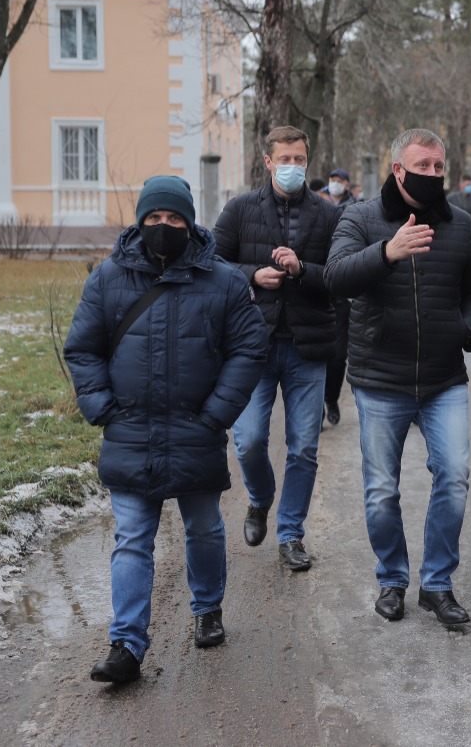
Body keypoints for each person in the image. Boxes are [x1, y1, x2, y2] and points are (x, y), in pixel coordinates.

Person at [65, 175, 267, 684]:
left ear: (190, 222)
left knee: (203, 527)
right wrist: (102, 408)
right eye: (153, 218)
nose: (163, 227)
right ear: (140, 221)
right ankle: (127, 645)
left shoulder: (223, 280)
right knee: (132, 538)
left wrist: (217, 414)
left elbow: (248, 349)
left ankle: (207, 608)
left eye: (173, 219)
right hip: (129, 431)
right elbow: (82, 348)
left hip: (196, 430)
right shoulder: (108, 278)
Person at [325, 128, 471, 625]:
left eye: (439, 168)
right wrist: (388, 252)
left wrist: (465, 331)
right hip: (381, 379)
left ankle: (437, 584)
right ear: (397, 169)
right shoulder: (359, 217)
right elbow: (334, 277)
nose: (433, 175)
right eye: (423, 167)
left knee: (455, 476)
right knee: (382, 489)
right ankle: (392, 579)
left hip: (444, 379)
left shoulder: (459, 225)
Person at [213, 126, 339, 572]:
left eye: (299, 160)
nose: (292, 167)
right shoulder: (240, 209)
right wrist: (252, 275)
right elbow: (211, 263)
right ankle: (260, 498)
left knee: (304, 446)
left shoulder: (328, 215)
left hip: (308, 345)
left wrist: (302, 269)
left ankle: (290, 534)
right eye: (284, 159)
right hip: (253, 346)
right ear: (267, 162)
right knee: (247, 441)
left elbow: (341, 276)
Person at [322, 167, 357, 426]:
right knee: (313, 356)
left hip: (341, 292)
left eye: (340, 181)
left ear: (346, 185)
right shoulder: (315, 202)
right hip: (314, 285)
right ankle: (317, 411)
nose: (335, 184)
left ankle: (331, 397)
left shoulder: (355, 208)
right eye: (332, 180)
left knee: (336, 355)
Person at [446, 174, 471, 239]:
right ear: (461, 184)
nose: (470, 187)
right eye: (467, 185)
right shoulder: (451, 198)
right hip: (454, 235)